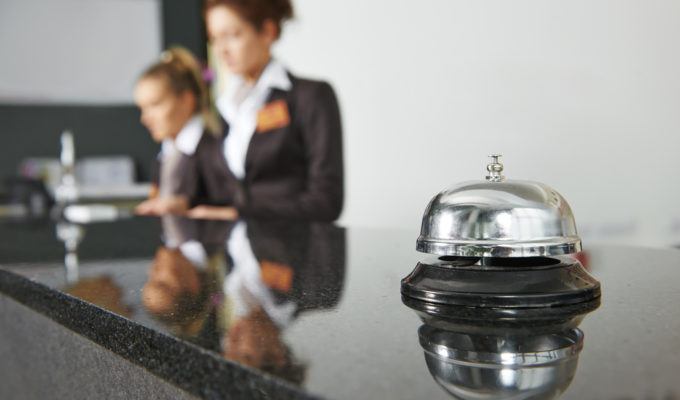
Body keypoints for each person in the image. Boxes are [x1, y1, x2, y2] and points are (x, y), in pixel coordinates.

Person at [186, 0, 344, 222]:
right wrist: (182, 203)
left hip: (293, 243)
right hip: (235, 244)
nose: (222, 50)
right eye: (214, 38)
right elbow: (223, 193)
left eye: (232, 35)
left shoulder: (310, 97)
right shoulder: (226, 108)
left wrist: (240, 214)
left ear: (268, 32)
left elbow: (326, 202)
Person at [134, 47, 220, 216]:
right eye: (142, 108)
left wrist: (187, 207)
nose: (145, 118)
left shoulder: (214, 151)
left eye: (155, 105)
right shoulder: (165, 155)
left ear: (186, 100)